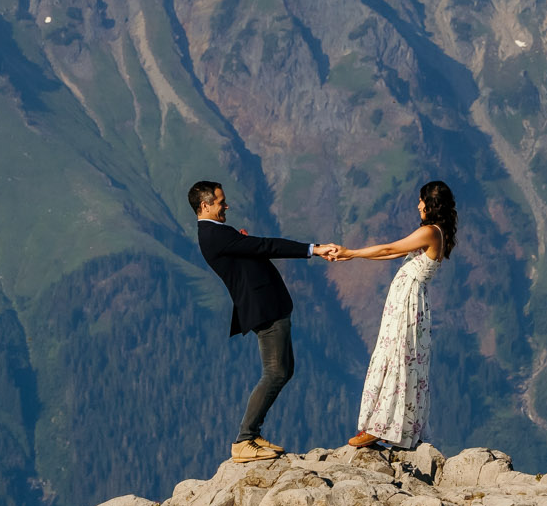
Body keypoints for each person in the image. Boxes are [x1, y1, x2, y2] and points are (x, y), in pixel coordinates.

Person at [189, 180, 340, 462]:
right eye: (221, 202)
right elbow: (264, 246)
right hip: (264, 310)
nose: (227, 206)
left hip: (269, 306)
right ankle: (244, 439)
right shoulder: (213, 234)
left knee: (284, 370)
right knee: (276, 372)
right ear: (205, 206)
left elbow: (250, 251)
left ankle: (251, 435)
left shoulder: (217, 232)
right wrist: (313, 249)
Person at [325, 180, 457, 451]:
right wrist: (355, 257)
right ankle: (399, 427)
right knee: (405, 359)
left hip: (407, 303)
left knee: (396, 356)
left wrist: (351, 252)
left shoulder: (431, 232)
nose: (418, 205)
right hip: (408, 302)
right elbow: (392, 254)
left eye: (422, 200)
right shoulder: (436, 232)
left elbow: (390, 248)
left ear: (432, 205)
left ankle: (380, 425)